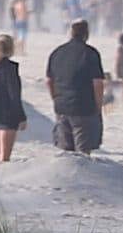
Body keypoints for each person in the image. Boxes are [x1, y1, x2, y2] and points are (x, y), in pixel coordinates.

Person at [45, 18, 106, 153]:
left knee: (65, 152)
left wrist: (56, 98)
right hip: (84, 107)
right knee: (82, 153)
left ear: (71, 33)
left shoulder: (57, 52)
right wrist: (98, 107)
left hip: (62, 106)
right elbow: (98, 83)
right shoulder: (90, 53)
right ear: (86, 34)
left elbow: (49, 80)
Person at [0, 35, 27, 162]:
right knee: (4, 155)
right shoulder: (10, 68)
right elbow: (14, 95)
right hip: (7, 113)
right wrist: (21, 116)